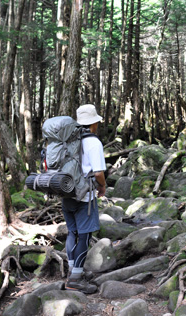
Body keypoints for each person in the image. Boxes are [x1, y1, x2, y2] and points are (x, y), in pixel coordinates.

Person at [63, 104, 106, 294]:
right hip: (84, 195)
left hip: (66, 191)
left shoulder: (67, 141)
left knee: (72, 232)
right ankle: (75, 280)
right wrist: (103, 186)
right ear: (94, 123)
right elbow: (98, 172)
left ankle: (73, 270)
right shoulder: (93, 143)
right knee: (85, 235)